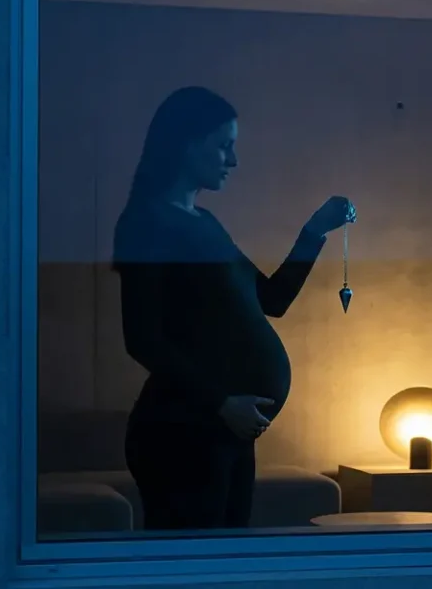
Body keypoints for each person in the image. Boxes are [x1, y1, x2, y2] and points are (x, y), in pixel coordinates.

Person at [111, 86, 354, 530]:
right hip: (182, 434)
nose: (234, 160)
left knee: (223, 561)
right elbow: (142, 338)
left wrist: (314, 231)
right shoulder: (147, 223)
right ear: (186, 144)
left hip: (226, 433)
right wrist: (222, 402)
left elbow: (271, 300)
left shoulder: (204, 223)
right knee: (192, 571)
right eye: (224, 146)